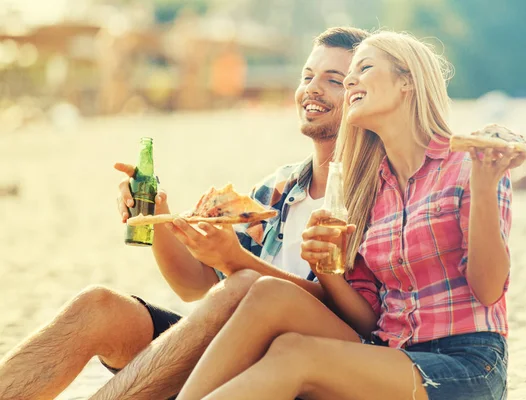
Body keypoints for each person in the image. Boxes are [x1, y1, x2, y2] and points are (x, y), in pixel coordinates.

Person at [0, 27, 369, 400]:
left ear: (361, 96)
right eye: (307, 76)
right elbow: (197, 287)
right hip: (229, 344)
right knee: (98, 307)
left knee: (239, 288)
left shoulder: (374, 194)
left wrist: (236, 260)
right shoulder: (280, 188)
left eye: (333, 80)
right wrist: (159, 217)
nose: (312, 88)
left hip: (296, 365)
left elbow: (354, 316)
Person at [176, 30, 525, 400]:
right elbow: (369, 318)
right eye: (350, 74)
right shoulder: (370, 189)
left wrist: (485, 185)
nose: (352, 80)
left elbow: (488, 290)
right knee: (271, 304)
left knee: (297, 357)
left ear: (407, 80)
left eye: (365, 68)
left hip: (467, 363)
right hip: (392, 355)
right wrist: (328, 272)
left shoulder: (471, 163)